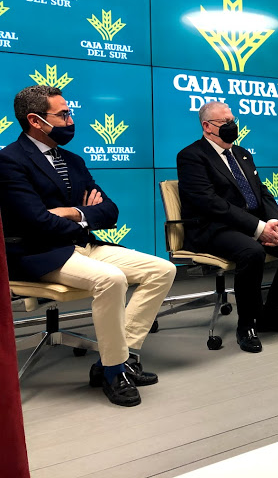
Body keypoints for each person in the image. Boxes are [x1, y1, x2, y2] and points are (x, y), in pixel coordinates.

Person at [0, 85, 176, 407]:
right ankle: (113, 371)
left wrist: (73, 213)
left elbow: (110, 211)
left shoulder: (73, 160)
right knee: (111, 279)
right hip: (39, 253)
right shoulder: (9, 160)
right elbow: (37, 222)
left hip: (82, 244)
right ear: (35, 120)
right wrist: (85, 215)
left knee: (162, 270)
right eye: (63, 114)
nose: (71, 120)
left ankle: (122, 356)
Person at [176, 101, 278, 353]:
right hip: (213, 228)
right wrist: (258, 229)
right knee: (252, 251)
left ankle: (270, 313)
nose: (232, 126)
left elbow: (262, 192)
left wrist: (274, 223)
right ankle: (246, 324)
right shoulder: (191, 156)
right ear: (207, 126)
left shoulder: (242, 153)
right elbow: (210, 203)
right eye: (225, 122)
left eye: (232, 120)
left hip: (253, 224)